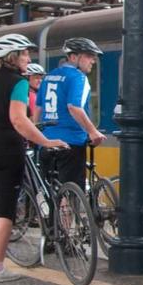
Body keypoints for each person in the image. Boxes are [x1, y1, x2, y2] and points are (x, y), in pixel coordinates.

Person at [0, 34, 68, 283]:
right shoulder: (18, 83)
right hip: (7, 147)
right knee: (4, 208)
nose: (29, 58)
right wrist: (46, 141)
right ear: (13, 57)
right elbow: (18, 119)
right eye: (25, 54)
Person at [37, 38, 106, 189]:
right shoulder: (78, 77)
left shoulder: (49, 76)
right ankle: (67, 212)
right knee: (71, 192)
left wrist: (37, 136)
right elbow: (74, 107)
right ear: (73, 57)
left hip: (46, 142)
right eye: (88, 56)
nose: (93, 60)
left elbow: (39, 108)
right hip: (71, 142)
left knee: (49, 190)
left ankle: (49, 212)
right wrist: (93, 131)